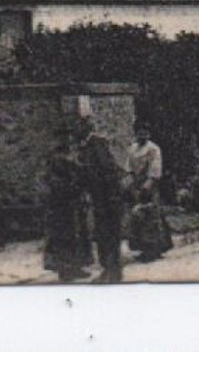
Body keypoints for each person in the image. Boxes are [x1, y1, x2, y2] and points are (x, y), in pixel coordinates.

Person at [74, 116, 127, 283]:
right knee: (102, 234)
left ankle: (113, 272)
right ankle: (108, 270)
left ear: (86, 128)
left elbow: (107, 172)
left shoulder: (97, 144)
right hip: (100, 199)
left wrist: (109, 198)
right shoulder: (86, 146)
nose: (75, 132)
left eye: (78, 128)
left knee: (110, 234)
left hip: (107, 199)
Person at [42, 131, 93, 281]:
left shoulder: (71, 163)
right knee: (63, 238)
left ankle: (76, 267)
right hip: (60, 208)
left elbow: (81, 175)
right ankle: (65, 270)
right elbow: (56, 186)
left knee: (76, 237)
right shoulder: (55, 166)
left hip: (72, 206)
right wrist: (74, 188)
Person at [127, 124, 174, 262]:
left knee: (151, 216)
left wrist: (147, 185)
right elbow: (128, 167)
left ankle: (154, 249)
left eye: (145, 133)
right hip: (136, 183)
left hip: (149, 184)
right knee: (138, 216)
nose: (142, 135)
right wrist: (131, 184)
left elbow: (155, 168)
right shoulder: (132, 148)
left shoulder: (153, 148)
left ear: (149, 134)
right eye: (140, 133)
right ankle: (143, 248)